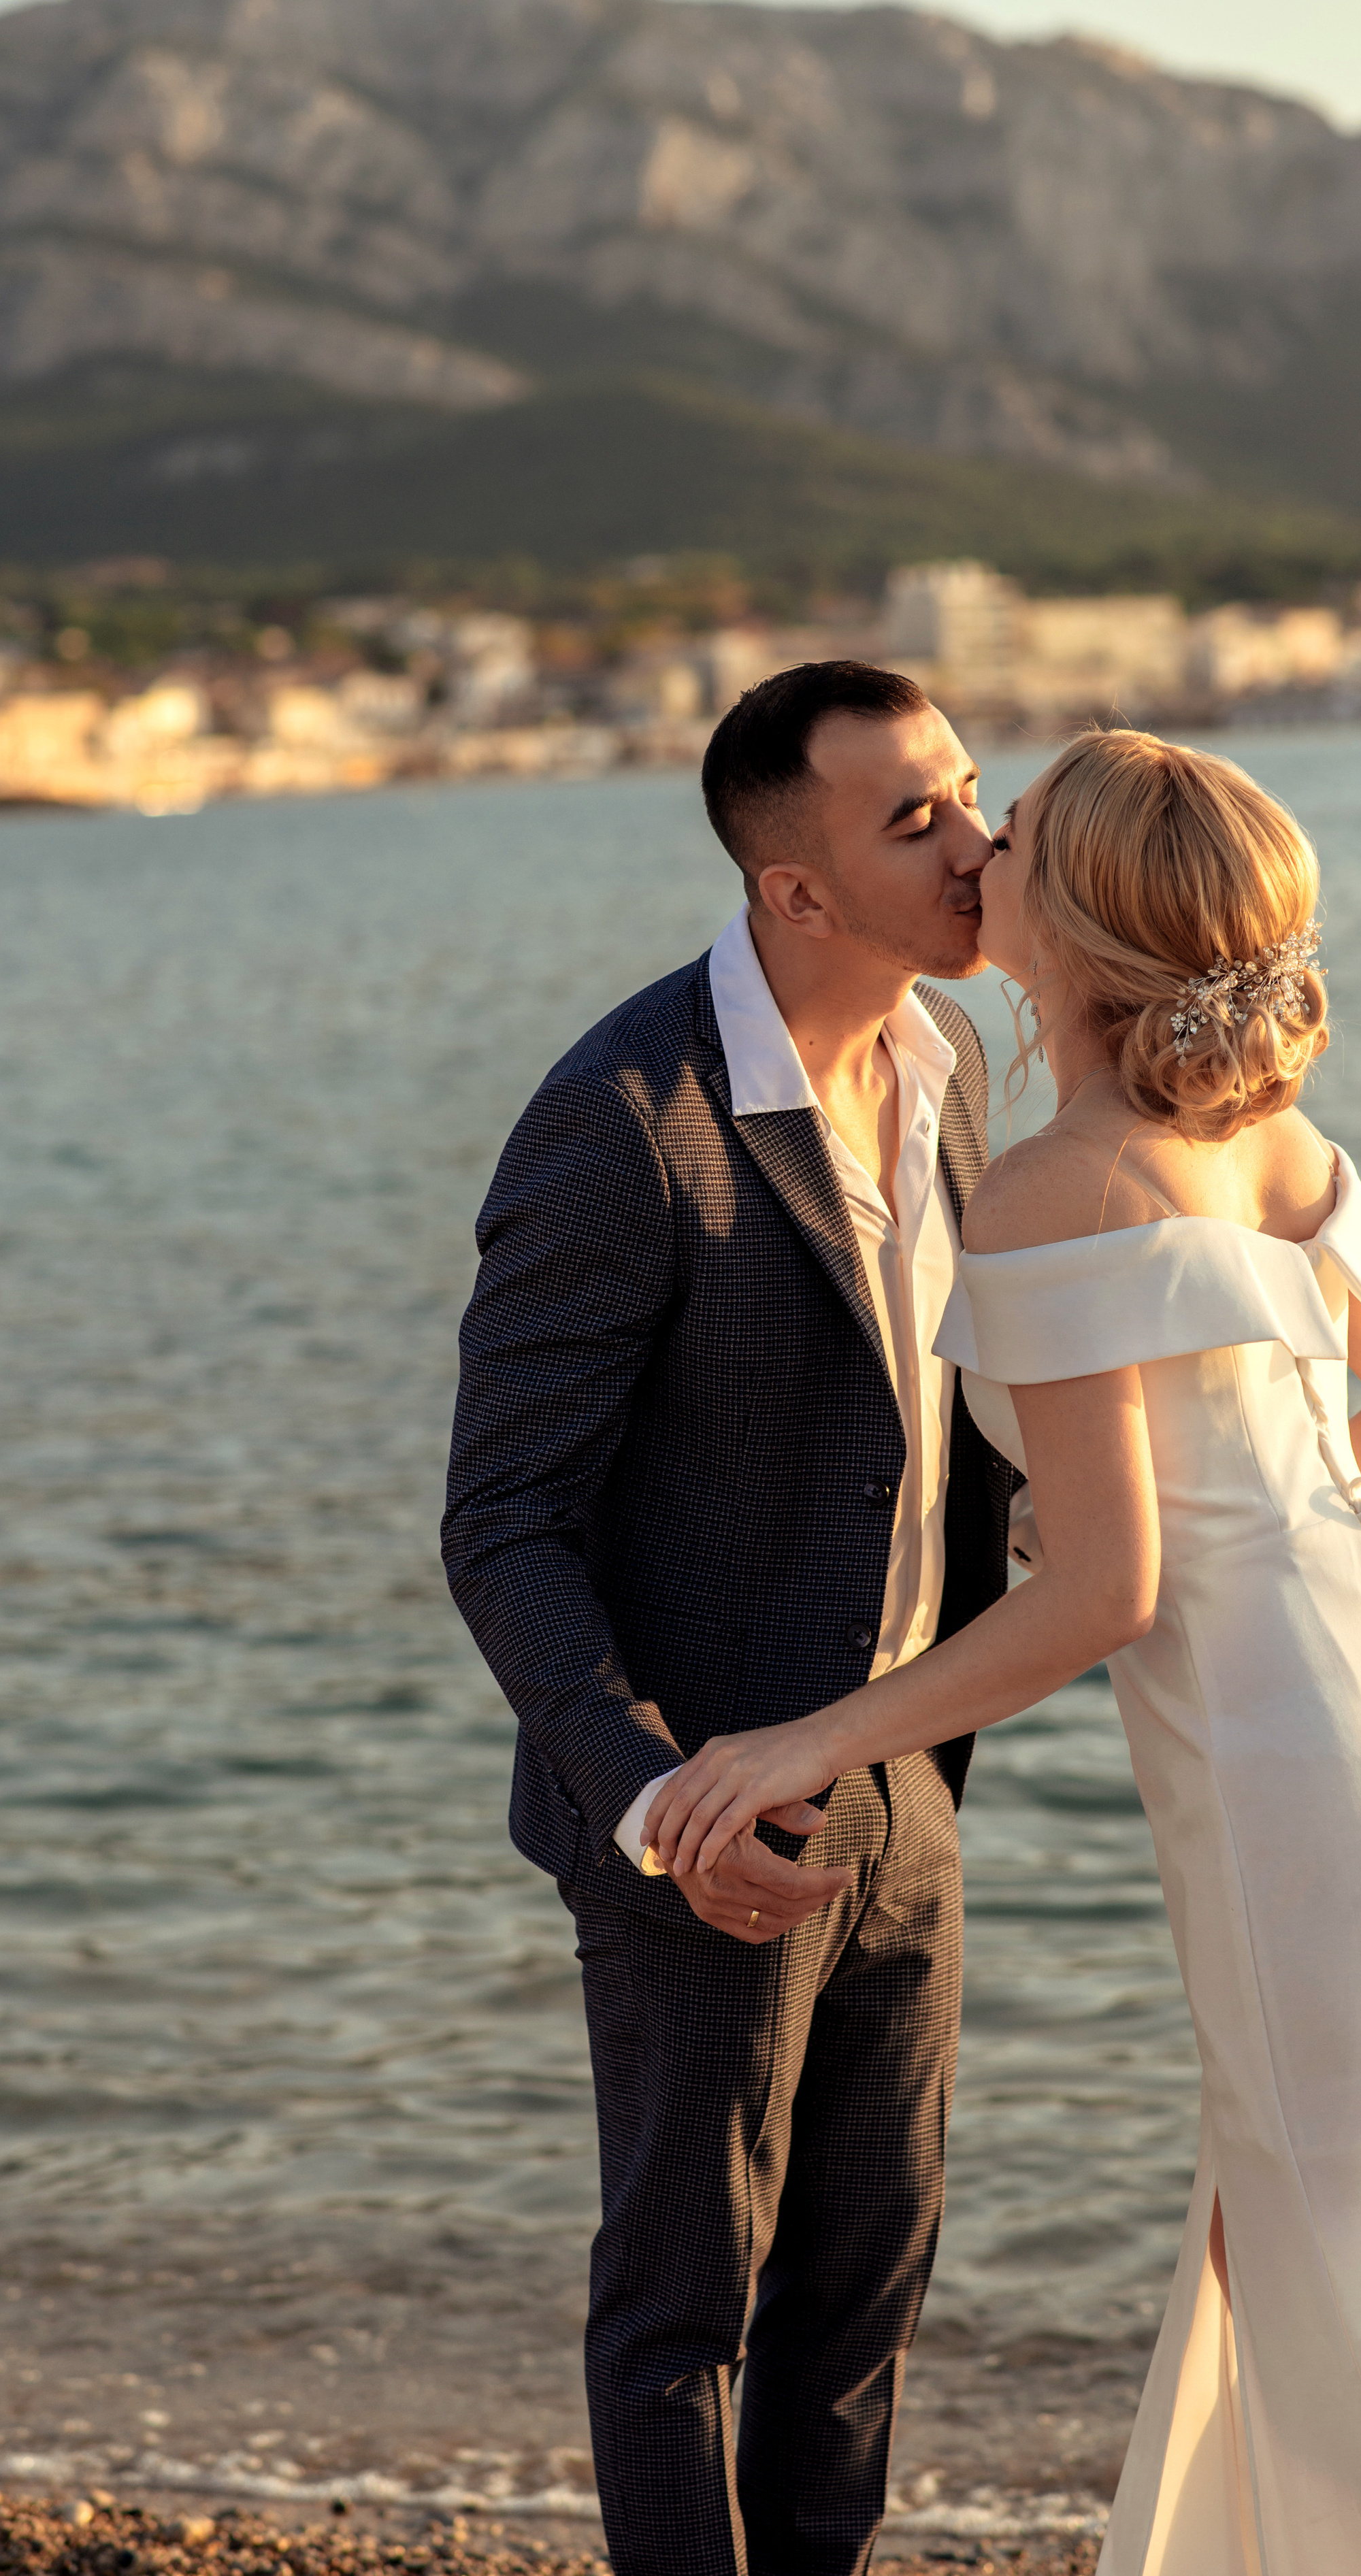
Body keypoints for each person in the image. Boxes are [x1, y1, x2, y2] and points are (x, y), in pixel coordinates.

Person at [648, 725, 1361, 2572]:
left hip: (1294, 1770)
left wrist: (808, 1736)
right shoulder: (1268, 1138)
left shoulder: (1058, 1179)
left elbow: (1104, 1595)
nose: (977, 845)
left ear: (1074, 907)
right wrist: (1268, 1532)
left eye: (1013, 829)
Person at [441, 661, 1020, 2576]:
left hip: (903, 1780)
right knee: (686, 2301)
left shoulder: (952, 1072)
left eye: (967, 788)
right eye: (915, 817)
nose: (977, 839)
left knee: (864, 2295)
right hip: (699, 1811)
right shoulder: (624, 1119)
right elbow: (502, 1522)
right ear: (797, 889)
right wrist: (653, 1797)